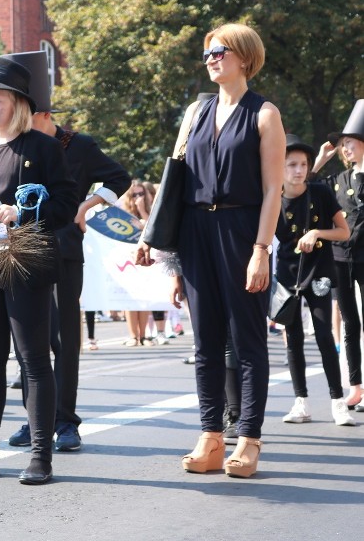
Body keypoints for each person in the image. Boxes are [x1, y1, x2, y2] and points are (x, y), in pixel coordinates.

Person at [136, 23, 285, 478]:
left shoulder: (264, 115)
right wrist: (163, 250)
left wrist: (261, 248)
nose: (211, 59)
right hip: (197, 231)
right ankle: (210, 437)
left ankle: (249, 439)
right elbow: (175, 185)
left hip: (243, 229)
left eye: (220, 51)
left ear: (244, 57)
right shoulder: (194, 113)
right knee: (205, 343)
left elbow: (274, 190)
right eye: (207, 53)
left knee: (247, 341)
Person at [0, 57, 79, 485]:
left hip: (25, 265)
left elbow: (64, 204)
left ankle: (41, 455)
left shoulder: (42, 147)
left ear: (17, 103)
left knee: (34, 360)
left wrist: (23, 213)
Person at [1, 50, 130, 452]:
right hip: (22, 253)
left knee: (64, 339)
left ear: (42, 114)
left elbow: (119, 178)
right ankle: (34, 418)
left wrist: (87, 206)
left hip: (65, 252)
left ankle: (66, 420)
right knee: (28, 342)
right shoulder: (14, 147)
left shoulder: (78, 145)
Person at [275, 134, 353, 426]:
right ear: (278, 167)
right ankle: (301, 403)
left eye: (304, 164)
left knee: (323, 336)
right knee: (292, 341)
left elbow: (343, 232)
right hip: (287, 274)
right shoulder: (271, 196)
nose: (299, 170)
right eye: (292, 164)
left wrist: (318, 232)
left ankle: (337, 402)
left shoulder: (320, 193)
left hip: (318, 271)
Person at [312, 98, 364, 412]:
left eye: (349, 143)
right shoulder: (338, 180)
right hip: (340, 258)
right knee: (349, 324)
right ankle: (356, 386)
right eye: (342, 145)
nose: (344, 149)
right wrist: (320, 159)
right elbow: (304, 185)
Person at [120, 179, 154, 346]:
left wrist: (142, 212)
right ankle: (133, 335)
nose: (139, 197)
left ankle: (144, 335)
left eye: (141, 193)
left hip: (146, 257)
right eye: (135, 194)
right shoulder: (123, 212)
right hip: (127, 258)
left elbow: (155, 228)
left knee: (144, 297)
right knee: (130, 297)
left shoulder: (151, 210)